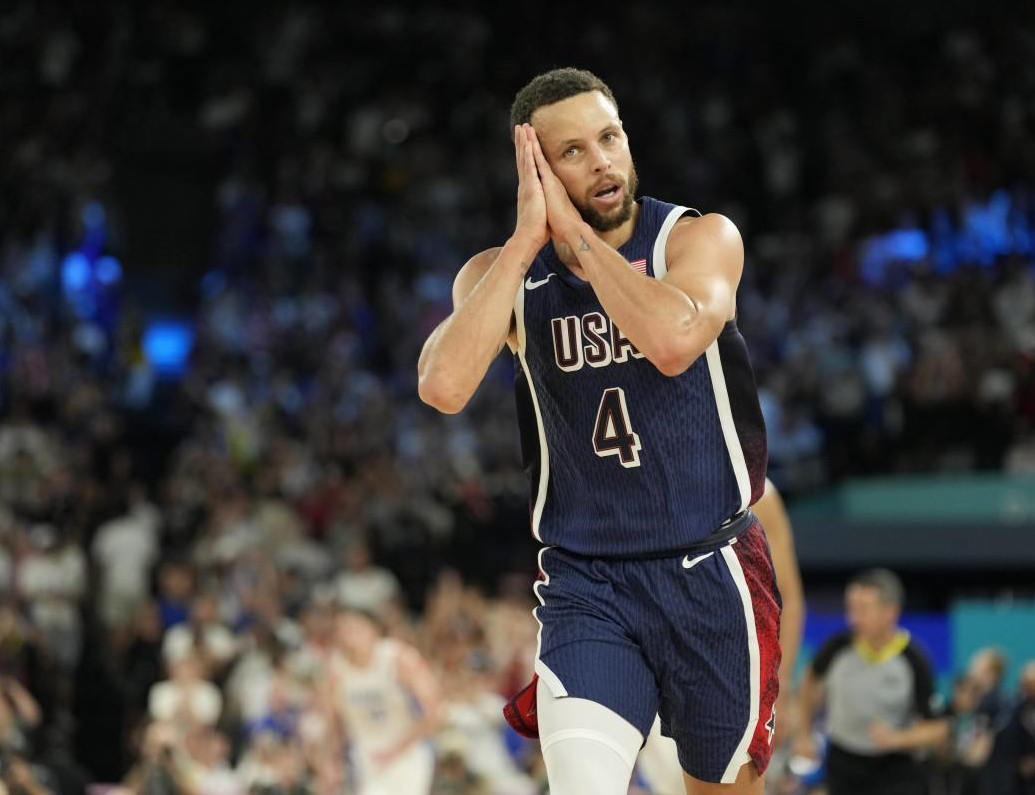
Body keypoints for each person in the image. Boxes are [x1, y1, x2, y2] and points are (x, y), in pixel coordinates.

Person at [418, 67, 779, 794]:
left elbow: (673, 341)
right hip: (590, 580)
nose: (603, 161)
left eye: (609, 138)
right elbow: (443, 387)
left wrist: (579, 241)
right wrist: (527, 242)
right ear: (537, 172)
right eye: (573, 152)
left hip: (711, 569)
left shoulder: (696, 238)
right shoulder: (502, 274)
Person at [635, 478, 804, 794]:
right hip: (650, 652)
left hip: (727, 662)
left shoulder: (757, 490)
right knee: (665, 781)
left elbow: (788, 597)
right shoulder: (637, 476)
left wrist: (779, 686)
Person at [793, 569, 947, 795]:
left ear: (890, 612)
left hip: (894, 769)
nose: (853, 619)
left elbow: (938, 728)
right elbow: (810, 679)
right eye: (851, 609)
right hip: (843, 763)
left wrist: (897, 738)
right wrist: (803, 734)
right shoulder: (837, 648)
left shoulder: (913, 659)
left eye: (863, 610)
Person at [322, 606, 442, 795]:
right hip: (365, 755)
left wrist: (397, 750)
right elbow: (333, 724)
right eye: (342, 630)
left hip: (407, 752)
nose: (349, 636)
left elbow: (435, 711)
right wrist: (331, 763)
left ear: (374, 630)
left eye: (355, 628)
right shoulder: (336, 668)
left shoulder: (398, 657)